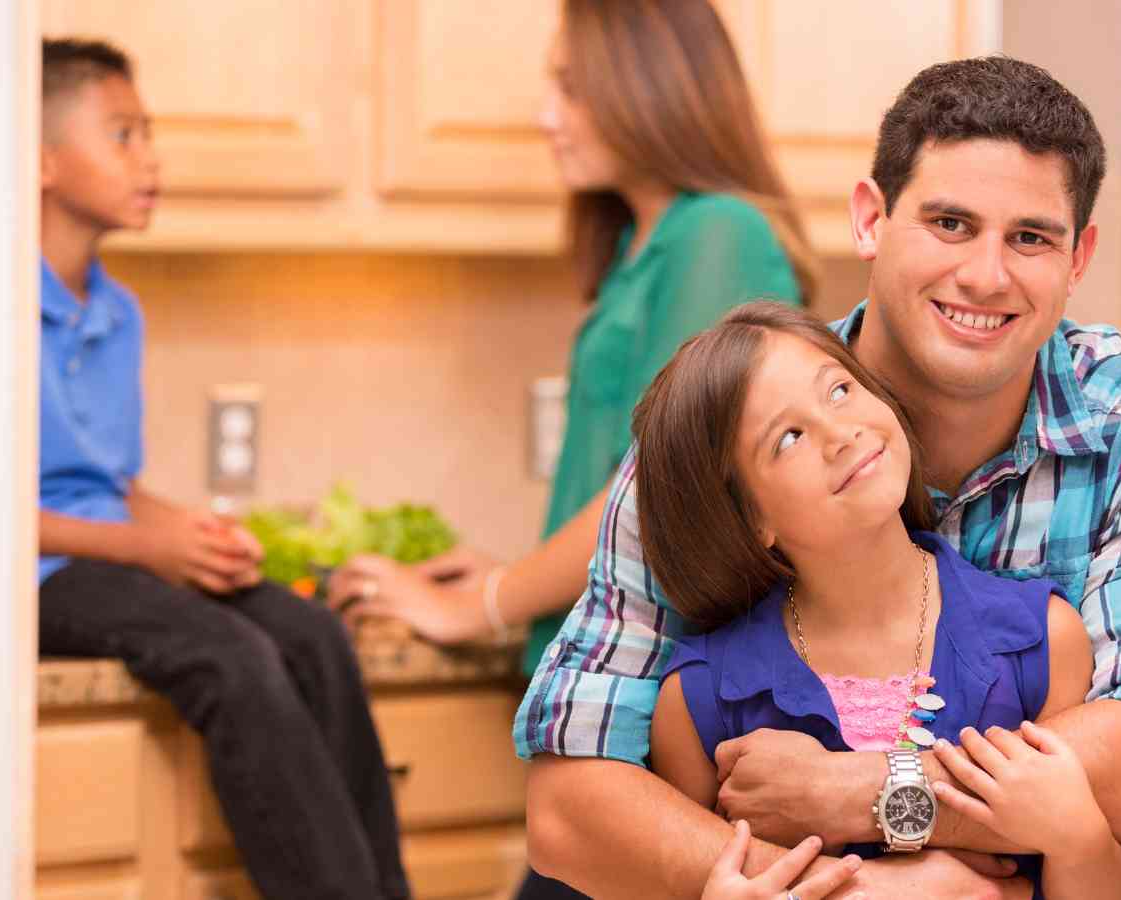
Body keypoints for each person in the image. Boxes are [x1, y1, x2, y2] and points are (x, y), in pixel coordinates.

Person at [515, 57, 1121, 899]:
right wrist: (858, 890)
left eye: (1031, 237)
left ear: (1078, 258)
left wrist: (866, 792)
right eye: (949, 223)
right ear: (870, 219)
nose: (984, 276)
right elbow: (568, 806)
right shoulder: (714, 431)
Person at [329, 6, 814, 892]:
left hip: (664, 715)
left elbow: (668, 492)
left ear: (653, 87)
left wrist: (480, 603)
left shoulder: (717, 234)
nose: (547, 115)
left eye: (571, 86)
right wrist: (522, 574)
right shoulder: (648, 244)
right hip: (606, 710)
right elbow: (627, 491)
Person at [34, 39, 407, 900]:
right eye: (123, 135)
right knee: (231, 656)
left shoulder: (116, 311)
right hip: (36, 572)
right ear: (43, 163)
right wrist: (147, 552)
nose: (151, 158)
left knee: (310, 634)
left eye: (148, 133)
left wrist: (193, 536)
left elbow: (109, 484)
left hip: (105, 556)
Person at [638, 302, 1121, 899]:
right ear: (749, 519)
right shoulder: (698, 703)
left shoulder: (1043, 640)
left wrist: (1077, 835)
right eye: (788, 438)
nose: (839, 432)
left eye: (840, 390)